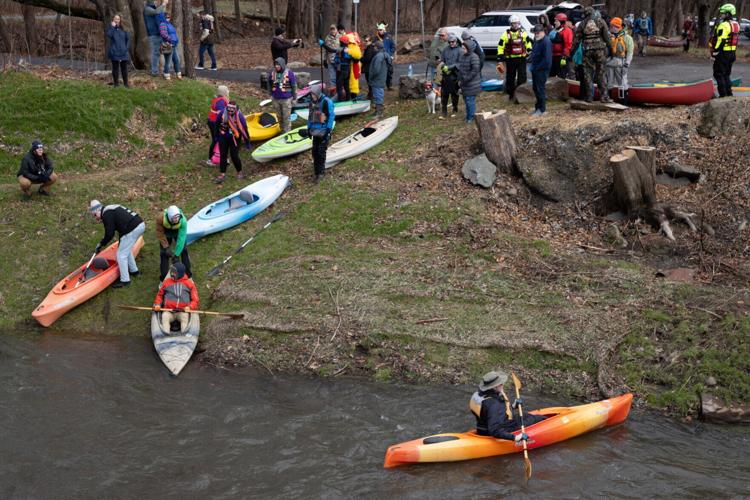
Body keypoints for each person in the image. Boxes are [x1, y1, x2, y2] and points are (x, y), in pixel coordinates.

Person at [469, 371, 547, 441]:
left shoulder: (479, 395)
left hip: (482, 429)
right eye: (500, 384)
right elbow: (494, 430)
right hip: (497, 431)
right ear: (494, 387)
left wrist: (513, 406)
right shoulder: (494, 404)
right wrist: (515, 437)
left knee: (526, 415)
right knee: (539, 419)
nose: (503, 385)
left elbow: (489, 414)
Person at [88, 200, 145, 288]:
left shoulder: (106, 214)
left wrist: (101, 243)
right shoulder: (109, 209)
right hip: (138, 225)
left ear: (98, 210)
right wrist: (120, 242)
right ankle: (135, 272)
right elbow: (120, 225)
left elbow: (110, 233)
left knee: (121, 255)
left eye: (95, 215)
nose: (96, 218)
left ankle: (125, 280)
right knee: (125, 250)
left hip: (133, 227)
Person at [573, 7, 612, 103]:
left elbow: (576, 40)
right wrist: (611, 49)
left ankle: (589, 97)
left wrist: (571, 52)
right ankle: (604, 97)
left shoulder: (582, 24)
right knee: (601, 73)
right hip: (600, 51)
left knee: (588, 74)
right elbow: (606, 37)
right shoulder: (601, 21)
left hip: (587, 51)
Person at [153, 262, 199, 333]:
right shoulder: (166, 282)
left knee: (184, 318)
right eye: (171, 271)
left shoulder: (189, 284)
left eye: (174, 272)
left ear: (180, 273)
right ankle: (165, 335)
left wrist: (190, 307)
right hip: (169, 311)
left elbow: (195, 300)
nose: (171, 274)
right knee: (164, 316)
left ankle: (184, 336)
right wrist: (157, 304)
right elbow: (159, 295)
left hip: (182, 311)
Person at [303, 84, 334, 183]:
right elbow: (310, 117)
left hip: (323, 131)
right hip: (314, 131)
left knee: (321, 152)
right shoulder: (311, 103)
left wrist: (328, 130)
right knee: (315, 152)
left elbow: (331, 116)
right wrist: (308, 129)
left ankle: (321, 173)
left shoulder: (326, 102)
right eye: (311, 95)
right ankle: (316, 172)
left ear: (318, 93)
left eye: (314, 95)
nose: (313, 97)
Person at [496, 16, 532, 101]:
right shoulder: (505, 34)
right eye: (514, 23)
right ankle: (510, 94)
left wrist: (529, 49)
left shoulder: (523, 33)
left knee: (522, 77)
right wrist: (499, 58)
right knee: (510, 77)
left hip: (521, 59)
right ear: (511, 24)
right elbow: (500, 46)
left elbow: (528, 42)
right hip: (510, 59)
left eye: (517, 23)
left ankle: (521, 94)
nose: (516, 25)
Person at [215, 101, 250, 184]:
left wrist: (247, 142)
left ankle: (239, 172)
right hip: (223, 135)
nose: (230, 112)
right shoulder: (222, 114)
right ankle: (222, 174)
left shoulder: (239, 116)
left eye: (232, 110)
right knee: (223, 154)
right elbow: (216, 124)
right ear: (226, 108)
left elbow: (244, 129)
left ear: (235, 110)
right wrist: (216, 137)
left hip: (235, 137)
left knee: (234, 155)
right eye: (228, 110)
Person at [710, 3, 740, 98]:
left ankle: (723, 95)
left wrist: (715, 52)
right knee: (726, 74)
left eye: (723, 13)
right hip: (732, 53)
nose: (721, 15)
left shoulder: (723, 25)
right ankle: (729, 94)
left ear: (727, 14)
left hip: (723, 53)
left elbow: (721, 40)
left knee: (718, 74)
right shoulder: (736, 24)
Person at [156, 205, 191, 282]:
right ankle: (163, 279)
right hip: (166, 232)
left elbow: (181, 238)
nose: (176, 219)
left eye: (177, 217)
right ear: (169, 217)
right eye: (174, 218)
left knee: (184, 250)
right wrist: (166, 247)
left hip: (177, 232)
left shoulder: (183, 221)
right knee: (163, 254)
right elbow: (160, 233)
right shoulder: (160, 218)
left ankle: (188, 276)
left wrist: (176, 254)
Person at [605, 17, 634, 97]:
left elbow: (630, 53)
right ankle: (608, 99)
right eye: (612, 26)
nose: (613, 28)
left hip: (620, 64)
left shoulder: (627, 38)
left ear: (620, 27)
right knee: (608, 83)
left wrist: (627, 65)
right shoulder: (607, 36)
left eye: (615, 26)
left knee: (622, 84)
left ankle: (623, 102)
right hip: (609, 63)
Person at [268, 57, 297, 132]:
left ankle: (287, 133)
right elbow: (269, 84)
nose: (276, 66)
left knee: (286, 118)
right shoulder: (272, 73)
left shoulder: (289, 73)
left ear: (282, 65)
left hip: (286, 99)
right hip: (276, 99)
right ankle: (282, 131)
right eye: (275, 65)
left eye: (278, 65)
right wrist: (270, 94)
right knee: (279, 117)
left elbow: (294, 86)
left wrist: (294, 98)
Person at [529, 25, 552, 116]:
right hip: (535, 68)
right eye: (535, 33)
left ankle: (542, 110)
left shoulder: (546, 42)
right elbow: (535, 52)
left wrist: (538, 68)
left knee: (540, 89)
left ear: (543, 32)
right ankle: (537, 107)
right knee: (535, 88)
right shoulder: (537, 40)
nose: (536, 34)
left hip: (541, 70)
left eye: (537, 33)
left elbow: (547, 60)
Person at [439, 34, 462, 119]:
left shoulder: (460, 50)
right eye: (450, 42)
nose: (451, 43)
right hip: (445, 75)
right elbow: (442, 60)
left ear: (456, 41)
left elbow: (460, 63)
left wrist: (450, 67)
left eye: (453, 42)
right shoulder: (445, 50)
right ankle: (444, 111)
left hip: (455, 75)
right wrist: (443, 66)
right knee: (444, 94)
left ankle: (455, 109)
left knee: (454, 94)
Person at [458, 40, 481, 124]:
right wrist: (459, 79)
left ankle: (471, 118)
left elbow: (475, 70)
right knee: (466, 101)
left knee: (469, 101)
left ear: (469, 48)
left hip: (471, 84)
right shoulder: (463, 56)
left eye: (464, 48)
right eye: (462, 47)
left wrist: (466, 78)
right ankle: (468, 116)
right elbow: (461, 69)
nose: (462, 49)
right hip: (464, 83)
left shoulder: (474, 57)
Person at [206, 85, 229, 166]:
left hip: (212, 121)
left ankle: (219, 156)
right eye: (227, 90)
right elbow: (221, 114)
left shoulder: (218, 99)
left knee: (218, 140)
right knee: (216, 140)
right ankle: (211, 159)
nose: (228, 92)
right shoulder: (221, 102)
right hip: (214, 123)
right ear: (224, 92)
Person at [143, 0, 167, 76]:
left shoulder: (154, 8)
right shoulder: (147, 9)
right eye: (154, 1)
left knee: (161, 52)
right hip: (153, 34)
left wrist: (164, 5)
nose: (156, 2)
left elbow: (161, 12)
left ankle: (162, 70)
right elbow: (157, 12)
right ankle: (154, 71)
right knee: (155, 53)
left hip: (160, 33)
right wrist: (163, 4)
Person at [106, 14, 130, 88]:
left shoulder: (124, 29)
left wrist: (126, 48)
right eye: (115, 19)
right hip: (114, 52)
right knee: (115, 68)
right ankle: (116, 84)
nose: (117, 20)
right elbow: (109, 35)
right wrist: (112, 27)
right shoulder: (111, 28)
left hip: (123, 52)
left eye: (118, 19)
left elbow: (128, 40)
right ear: (113, 20)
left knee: (124, 69)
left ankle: (126, 84)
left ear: (120, 20)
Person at [368, 40, 390, 118]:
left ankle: (379, 112)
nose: (374, 48)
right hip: (382, 78)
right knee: (378, 94)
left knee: (378, 95)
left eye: (374, 47)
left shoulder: (378, 56)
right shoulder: (384, 54)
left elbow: (376, 70)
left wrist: (372, 77)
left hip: (377, 79)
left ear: (377, 48)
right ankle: (378, 111)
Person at [158, 12, 181, 80]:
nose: (168, 19)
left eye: (169, 17)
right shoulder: (162, 24)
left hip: (174, 45)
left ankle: (178, 74)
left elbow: (173, 33)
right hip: (168, 45)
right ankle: (166, 75)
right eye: (167, 17)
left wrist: (176, 40)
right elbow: (163, 34)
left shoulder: (169, 24)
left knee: (177, 60)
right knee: (168, 61)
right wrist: (170, 40)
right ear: (163, 18)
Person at [550, 13, 573, 78]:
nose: (554, 23)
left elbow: (568, 44)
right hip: (553, 56)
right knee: (551, 75)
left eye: (556, 21)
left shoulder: (567, 31)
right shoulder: (555, 30)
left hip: (561, 57)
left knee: (561, 75)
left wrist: (564, 56)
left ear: (562, 22)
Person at [375, 23, 396, 90]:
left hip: (388, 57)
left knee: (389, 71)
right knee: (381, 72)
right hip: (380, 58)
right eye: (378, 30)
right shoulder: (376, 38)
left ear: (384, 30)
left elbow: (393, 46)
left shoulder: (389, 37)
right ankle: (382, 86)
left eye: (381, 30)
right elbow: (374, 47)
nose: (379, 31)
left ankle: (389, 85)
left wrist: (391, 55)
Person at [333, 34, 354, 101]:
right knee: (346, 86)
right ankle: (348, 99)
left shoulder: (340, 49)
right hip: (348, 70)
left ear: (341, 42)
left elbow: (336, 60)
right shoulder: (349, 50)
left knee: (339, 86)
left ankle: (340, 101)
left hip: (341, 70)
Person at [361, 35, 376, 100]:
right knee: (370, 82)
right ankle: (370, 95)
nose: (365, 42)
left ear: (370, 41)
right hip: (369, 68)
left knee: (370, 83)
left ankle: (371, 96)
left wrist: (360, 58)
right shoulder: (368, 48)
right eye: (365, 41)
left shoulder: (370, 49)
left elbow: (367, 58)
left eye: (367, 41)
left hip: (369, 68)